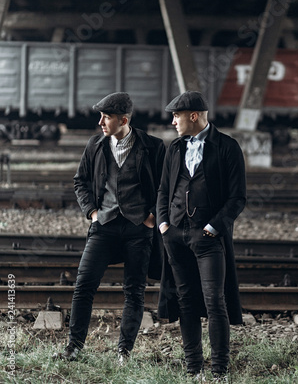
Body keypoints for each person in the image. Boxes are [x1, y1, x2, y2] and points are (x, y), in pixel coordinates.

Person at [54, 92, 165, 362]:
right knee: (83, 285)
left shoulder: (153, 146)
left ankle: (123, 352)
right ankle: (74, 347)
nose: (100, 121)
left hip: (138, 229)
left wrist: (151, 216)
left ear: (123, 120)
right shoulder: (95, 145)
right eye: (101, 116)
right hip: (103, 225)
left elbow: (165, 187)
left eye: (106, 117)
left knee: (134, 291)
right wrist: (91, 211)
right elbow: (80, 181)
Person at [157, 90, 246, 382]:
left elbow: (237, 198)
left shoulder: (227, 147)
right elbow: (163, 190)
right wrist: (163, 224)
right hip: (176, 235)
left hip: (208, 239)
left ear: (193, 116)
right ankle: (193, 367)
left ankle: (219, 370)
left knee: (214, 301)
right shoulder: (175, 148)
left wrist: (213, 227)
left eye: (176, 116)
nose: (173, 122)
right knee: (185, 302)